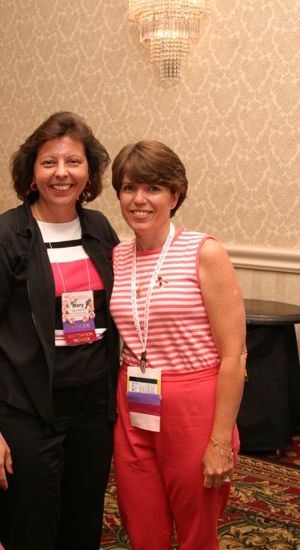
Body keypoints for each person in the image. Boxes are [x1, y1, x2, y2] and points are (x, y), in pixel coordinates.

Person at [0, 111, 120, 550]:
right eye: (49, 162)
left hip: (92, 407)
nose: (61, 173)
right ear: (31, 171)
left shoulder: (100, 229)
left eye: (73, 162)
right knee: (32, 529)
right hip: (27, 409)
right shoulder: (2, 238)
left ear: (89, 172)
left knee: (82, 522)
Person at [109, 140, 247, 550]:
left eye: (153, 188)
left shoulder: (204, 252)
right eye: (129, 187)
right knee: (141, 525)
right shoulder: (117, 255)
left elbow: (234, 355)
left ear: (175, 194)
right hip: (134, 396)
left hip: (195, 403)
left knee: (195, 530)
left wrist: (220, 441)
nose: (139, 200)